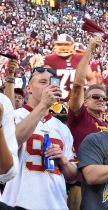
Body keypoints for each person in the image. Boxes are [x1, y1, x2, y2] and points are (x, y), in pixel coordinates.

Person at [1, 66, 78, 209]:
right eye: (43, 82)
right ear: (29, 89)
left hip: (56, 204)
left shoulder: (63, 128)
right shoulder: (15, 115)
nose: (48, 86)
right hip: (19, 203)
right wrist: (43, 105)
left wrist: (63, 161)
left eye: (52, 83)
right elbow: (11, 143)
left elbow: (72, 175)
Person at [67, 36, 107, 210]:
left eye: (103, 98)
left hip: (106, 184)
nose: (100, 100)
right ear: (86, 100)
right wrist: (89, 49)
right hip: (80, 183)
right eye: (95, 97)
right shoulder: (80, 115)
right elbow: (77, 84)